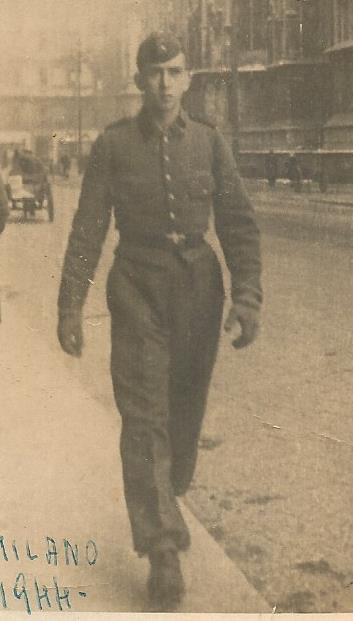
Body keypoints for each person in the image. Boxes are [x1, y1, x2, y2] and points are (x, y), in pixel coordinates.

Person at [57, 31, 262, 609]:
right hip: (137, 285)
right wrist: (70, 305)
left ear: (188, 78)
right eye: (155, 74)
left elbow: (239, 223)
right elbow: (86, 232)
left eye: (175, 73)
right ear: (140, 80)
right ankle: (162, 550)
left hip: (199, 287)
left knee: (182, 412)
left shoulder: (210, 143)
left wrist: (247, 297)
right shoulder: (113, 146)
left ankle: (163, 500)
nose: (165, 84)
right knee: (143, 413)